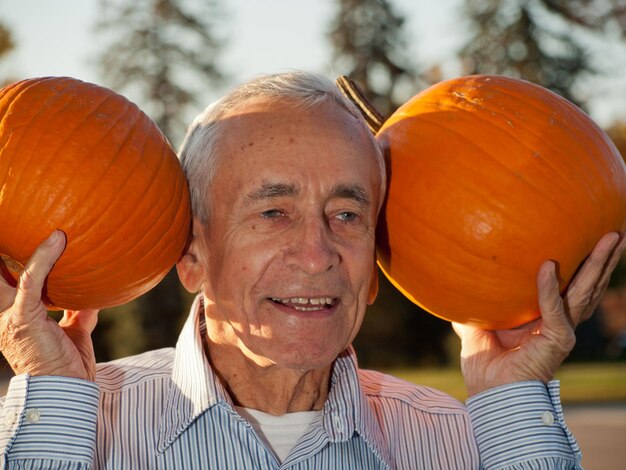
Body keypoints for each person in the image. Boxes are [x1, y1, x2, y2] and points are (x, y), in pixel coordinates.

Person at [0, 71, 623, 469]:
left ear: (374, 271)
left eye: (347, 214)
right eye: (273, 211)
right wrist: (50, 389)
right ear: (193, 255)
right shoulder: (72, 425)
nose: (317, 252)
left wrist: (510, 386)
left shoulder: (469, 444)